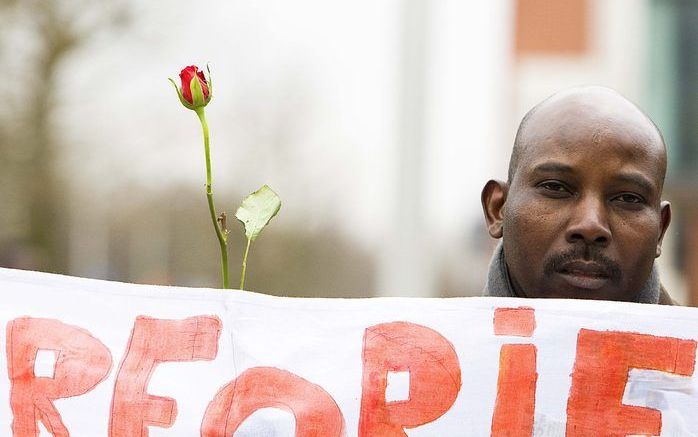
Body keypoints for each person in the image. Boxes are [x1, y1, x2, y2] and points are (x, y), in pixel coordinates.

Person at [481, 86, 675, 304]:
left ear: (660, 230)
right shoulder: (445, 335)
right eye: (555, 188)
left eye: (628, 198)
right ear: (498, 208)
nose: (590, 226)